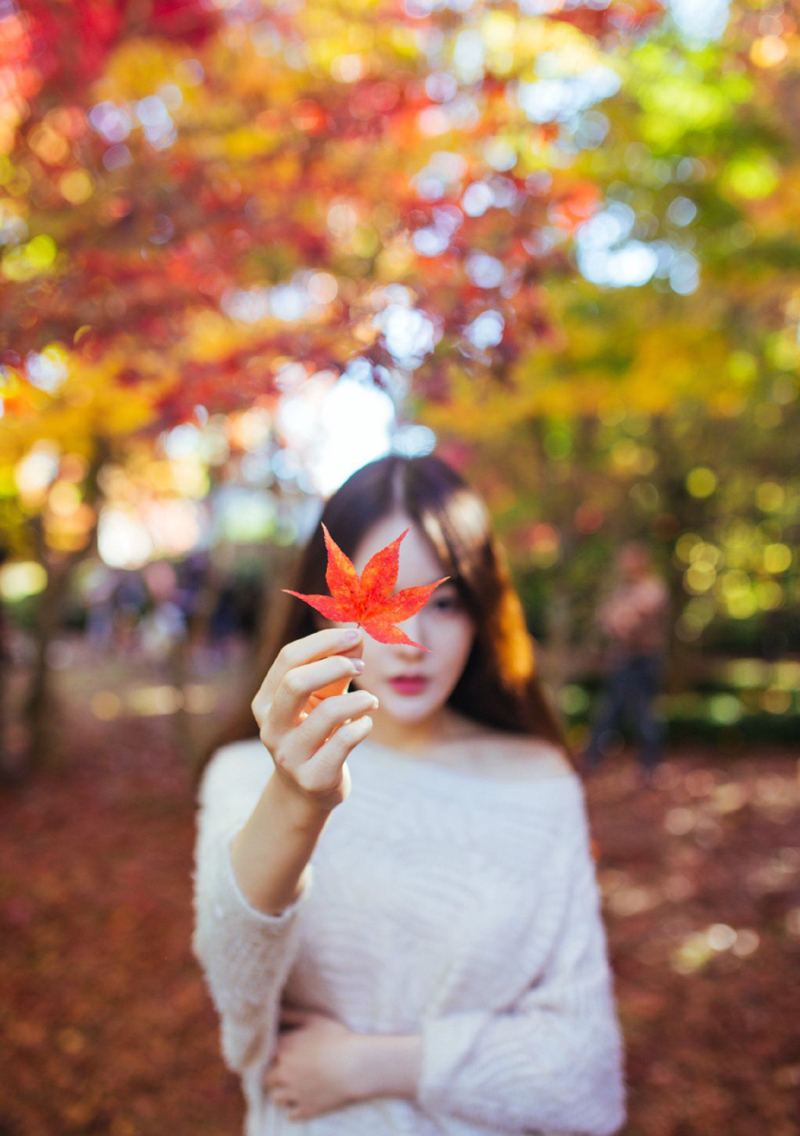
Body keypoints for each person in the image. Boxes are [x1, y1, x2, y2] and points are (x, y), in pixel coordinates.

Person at [191, 452, 627, 1135]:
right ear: (321, 605)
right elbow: (239, 1002)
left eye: (444, 602)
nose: (412, 639)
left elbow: (587, 1074)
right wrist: (297, 800)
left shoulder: (539, 781)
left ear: (482, 611)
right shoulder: (248, 775)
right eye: (378, 601)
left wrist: (373, 1066)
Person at [578, 541, 669, 786]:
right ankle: (591, 759)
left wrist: (621, 617)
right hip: (622, 660)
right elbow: (608, 619)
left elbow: (628, 619)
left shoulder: (653, 588)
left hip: (643, 661)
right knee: (609, 711)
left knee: (644, 714)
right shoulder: (623, 590)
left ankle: (649, 767)